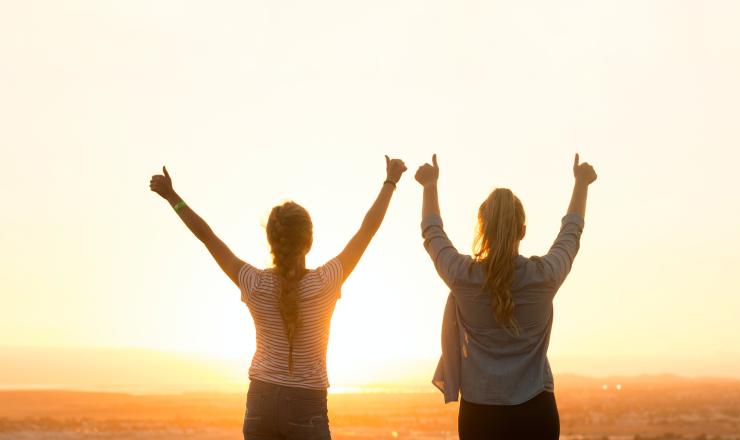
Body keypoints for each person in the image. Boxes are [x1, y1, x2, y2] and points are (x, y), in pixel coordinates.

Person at [149, 156, 408, 440]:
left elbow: (208, 237)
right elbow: (367, 230)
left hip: (260, 401)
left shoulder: (255, 283)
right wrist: (390, 181)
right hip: (307, 405)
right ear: (308, 241)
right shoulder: (325, 282)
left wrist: (172, 197)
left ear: (271, 241)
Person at [415, 153, 597, 440]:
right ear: (522, 231)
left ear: (482, 230)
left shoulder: (463, 276)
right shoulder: (544, 277)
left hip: (479, 415)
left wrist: (429, 185)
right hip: (536, 412)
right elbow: (571, 233)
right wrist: (582, 183)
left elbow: (432, 232)